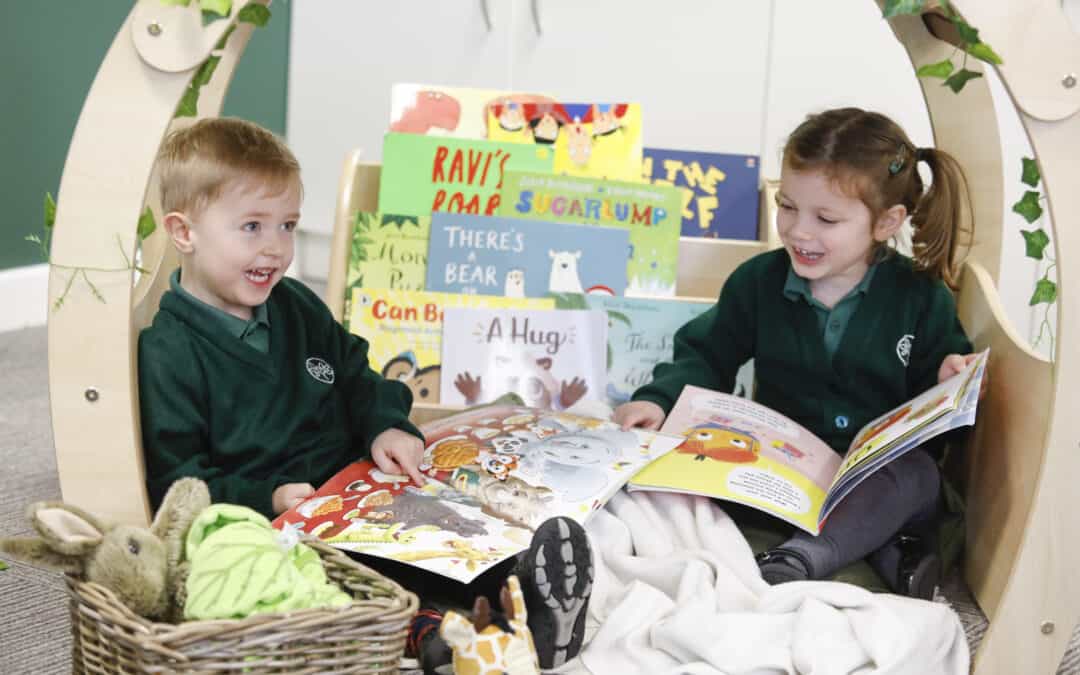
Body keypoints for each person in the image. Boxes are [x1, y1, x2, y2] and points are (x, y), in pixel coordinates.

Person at [139, 118, 593, 671]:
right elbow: (177, 485)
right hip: (282, 521)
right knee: (330, 581)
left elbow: (356, 373)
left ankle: (528, 596)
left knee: (451, 524)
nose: (276, 249)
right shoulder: (169, 352)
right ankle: (432, 634)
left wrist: (386, 424)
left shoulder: (295, 305)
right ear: (183, 233)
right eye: (252, 227)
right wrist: (268, 498)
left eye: (287, 225)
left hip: (356, 488)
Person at [615, 107, 981, 600]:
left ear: (885, 222)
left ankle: (805, 557)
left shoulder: (920, 296)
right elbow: (706, 354)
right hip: (781, 475)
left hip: (873, 480)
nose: (798, 231)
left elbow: (941, 409)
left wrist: (948, 377)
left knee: (916, 477)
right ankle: (884, 553)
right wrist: (659, 400)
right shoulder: (758, 282)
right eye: (787, 206)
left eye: (825, 218)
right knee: (667, 480)